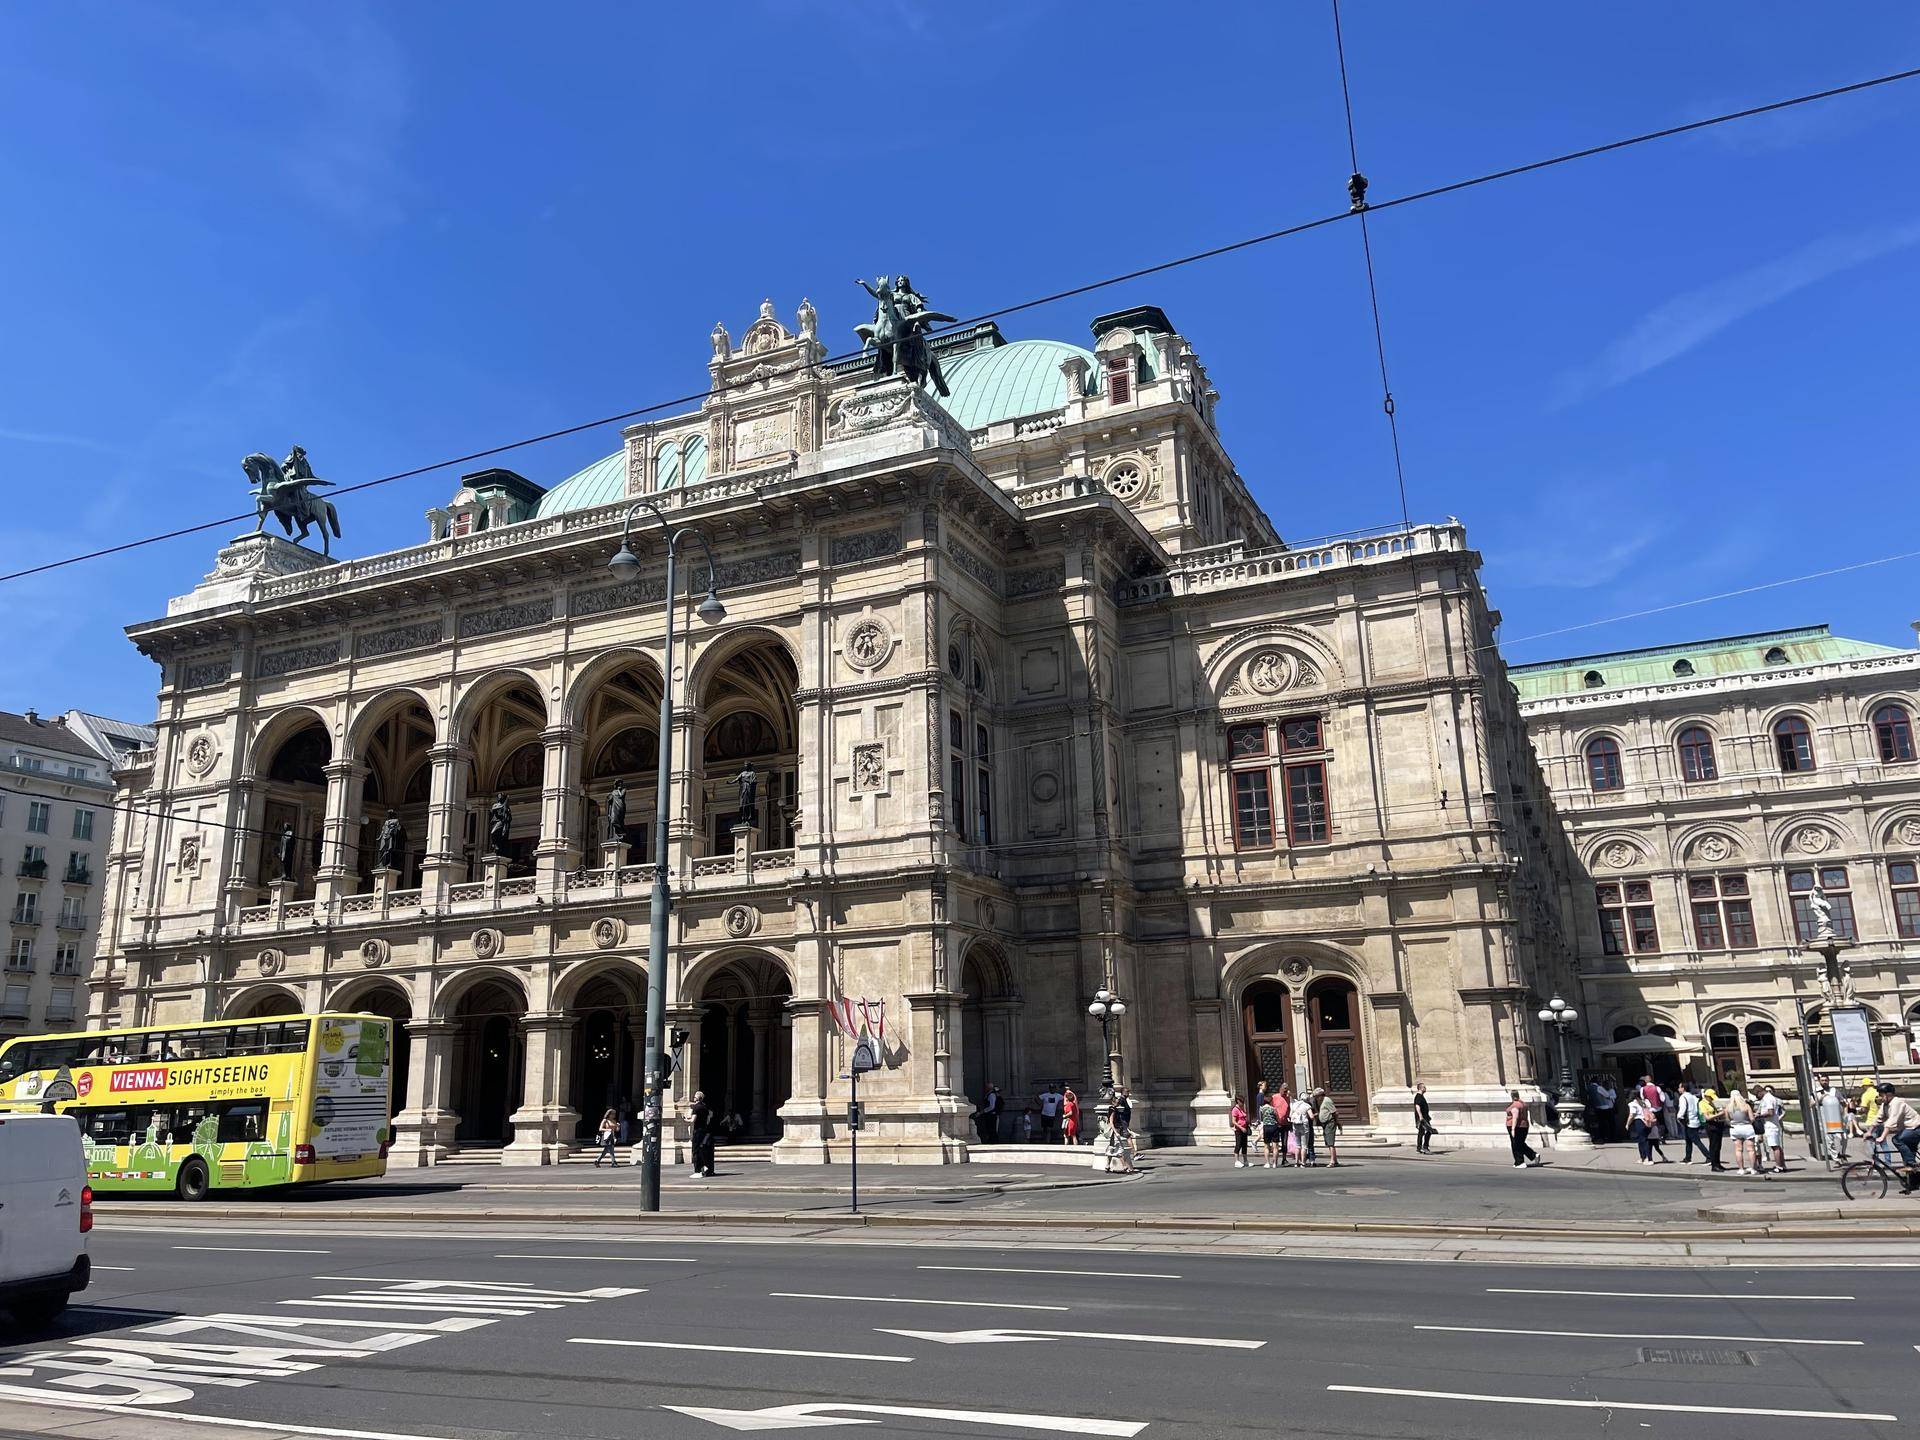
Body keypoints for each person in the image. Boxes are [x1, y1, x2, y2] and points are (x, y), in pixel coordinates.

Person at [1867, 1082, 1920, 1189]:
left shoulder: (1897, 1103)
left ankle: (1912, 1163)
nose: (1880, 1097)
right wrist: (1869, 1131)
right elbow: (1879, 1118)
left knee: (1897, 1140)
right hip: (1907, 1130)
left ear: (1889, 1094)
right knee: (1907, 1159)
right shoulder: (1885, 1105)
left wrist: (1882, 1137)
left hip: (1915, 1128)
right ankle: (1914, 1183)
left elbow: (1892, 1121)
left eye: (1882, 1095)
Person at [1755, 1085, 1788, 1175]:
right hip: (1773, 1125)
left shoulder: (1768, 1099)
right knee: (1777, 1146)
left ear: (1759, 1092)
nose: (1757, 1097)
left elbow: (1770, 1112)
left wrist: (1759, 1116)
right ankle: (1782, 1165)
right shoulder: (1769, 1098)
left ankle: (1778, 1166)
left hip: (1771, 1125)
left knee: (1775, 1147)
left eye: (1756, 1095)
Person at [1816, 1075, 1848, 1163]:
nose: (1824, 1082)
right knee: (1829, 1139)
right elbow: (1811, 1104)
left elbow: (1844, 1103)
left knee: (1842, 1137)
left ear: (1829, 1080)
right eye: (1822, 1080)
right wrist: (1820, 1098)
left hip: (1837, 1117)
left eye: (1826, 1080)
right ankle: (1835, 1158)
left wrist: (1845, 1115)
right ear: (1819, 1081)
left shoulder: (1834, 1091)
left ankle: (1842, 1153)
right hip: (1825, 1119)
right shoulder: (1817, 1092)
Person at [1725, 1087, 1757, 1175]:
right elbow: (1752, 1118)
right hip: (1747, 1127)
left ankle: (1741, 1169)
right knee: (1751, 1149)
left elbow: (1727, 1120)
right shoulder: (1746, 1106)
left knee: (1738, 1150)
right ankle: (1753, 1169)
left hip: (1735, 1128)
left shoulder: (1728, 1107)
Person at [1505, 1089, 1540, 1168]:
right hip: (1524, 1126)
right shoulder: (1523, 1104)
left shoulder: (1515, 1105)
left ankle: (1520, 1162)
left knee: (1515, 1145)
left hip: (1516, 1126)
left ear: (1512, 1096)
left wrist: (1513, 1129)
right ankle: (1533, 1155)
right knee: (1520, 1143)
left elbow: (1515, 1117)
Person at [1678, 1082, 1709, 1164]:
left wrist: (1679, 1116)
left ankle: (1709, 1156)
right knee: (1688, 1140)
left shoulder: (1683, 1097)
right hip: (1694, 1120)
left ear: (1683, 1088)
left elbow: (1682, 1109)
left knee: (1696, 1141)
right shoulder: (1693, 1097)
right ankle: (1687, 1158)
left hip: (1688, 1121)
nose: (1678, 1089)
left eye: (1679, 1087)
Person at [689, 1090, 716, 1178]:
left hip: (697, 1131)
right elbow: (708, 1119)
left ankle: (698, 1171)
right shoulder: (705, 1107)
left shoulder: (695, 1107)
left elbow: (692, 1120)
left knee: (696, 1150)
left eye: (694, 1096)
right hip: (704, 1130)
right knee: (703, 1150)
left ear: (697, 1098)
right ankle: (705, 1167)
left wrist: (686, 1119)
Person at [1291, 1083, 1316, 1166]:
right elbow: (1311, 1117)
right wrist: (1315, 1115)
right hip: (1304, 1126)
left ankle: (1296, 1162)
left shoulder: (1294, 1105)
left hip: (1295, 1126)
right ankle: (1303, 1162)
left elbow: (1290, 1115)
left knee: (1298, 1145)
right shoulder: (1307, 1105)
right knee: (1304, 1146)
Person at [1316, 1089, 1341, 1167]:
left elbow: (1335, 1112)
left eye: (1317, 1096)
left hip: (1330, 1123)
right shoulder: (1323, 1101)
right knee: (1328, 1142)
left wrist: (1338, 1123)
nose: (1316, 1098)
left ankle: (1332, 1161)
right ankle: (1335, 1160)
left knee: (1330, 1143)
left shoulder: (1327, 1101)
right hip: (1325, 1124)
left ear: (1321, 1095)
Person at [1258, 1090, 1282, 1168]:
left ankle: (1267, 1162)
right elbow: (1278, 1118)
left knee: (1266, 1146)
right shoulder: (1273, 1109)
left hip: (1266, 1127)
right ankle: (1275, 1163)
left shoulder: (1262, 1109)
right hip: (1274, 1126)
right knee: (1275, 1146)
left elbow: (1261, 1118)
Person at [1230, 1093, 1251, 1168]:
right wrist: (1241, 1127)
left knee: (1244, 1145)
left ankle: (1245, 1161)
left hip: (1244, 1129)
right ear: (1237, 1101)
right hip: (1239, 1129)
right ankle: (1237, 1161)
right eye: (1241, 1101)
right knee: (1238, 1145)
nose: (1243, 1103)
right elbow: (1234, 1121)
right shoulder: (1235, 1109)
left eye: (1243, 1101)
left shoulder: (1243, 1108)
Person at [1413, 1082, 1434, 1153]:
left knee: (1421, 1132)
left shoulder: (1420, 1096)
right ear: (1421, 1088)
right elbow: (1417, 1106)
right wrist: (1421, 1117)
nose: (1425, 1088)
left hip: (1424, 1118)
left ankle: (1419, 1148)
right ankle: (1424, 1147)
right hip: (1422, 1119)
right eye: (1424, 1087)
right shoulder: (1418, 1096)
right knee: (1429, 1131)